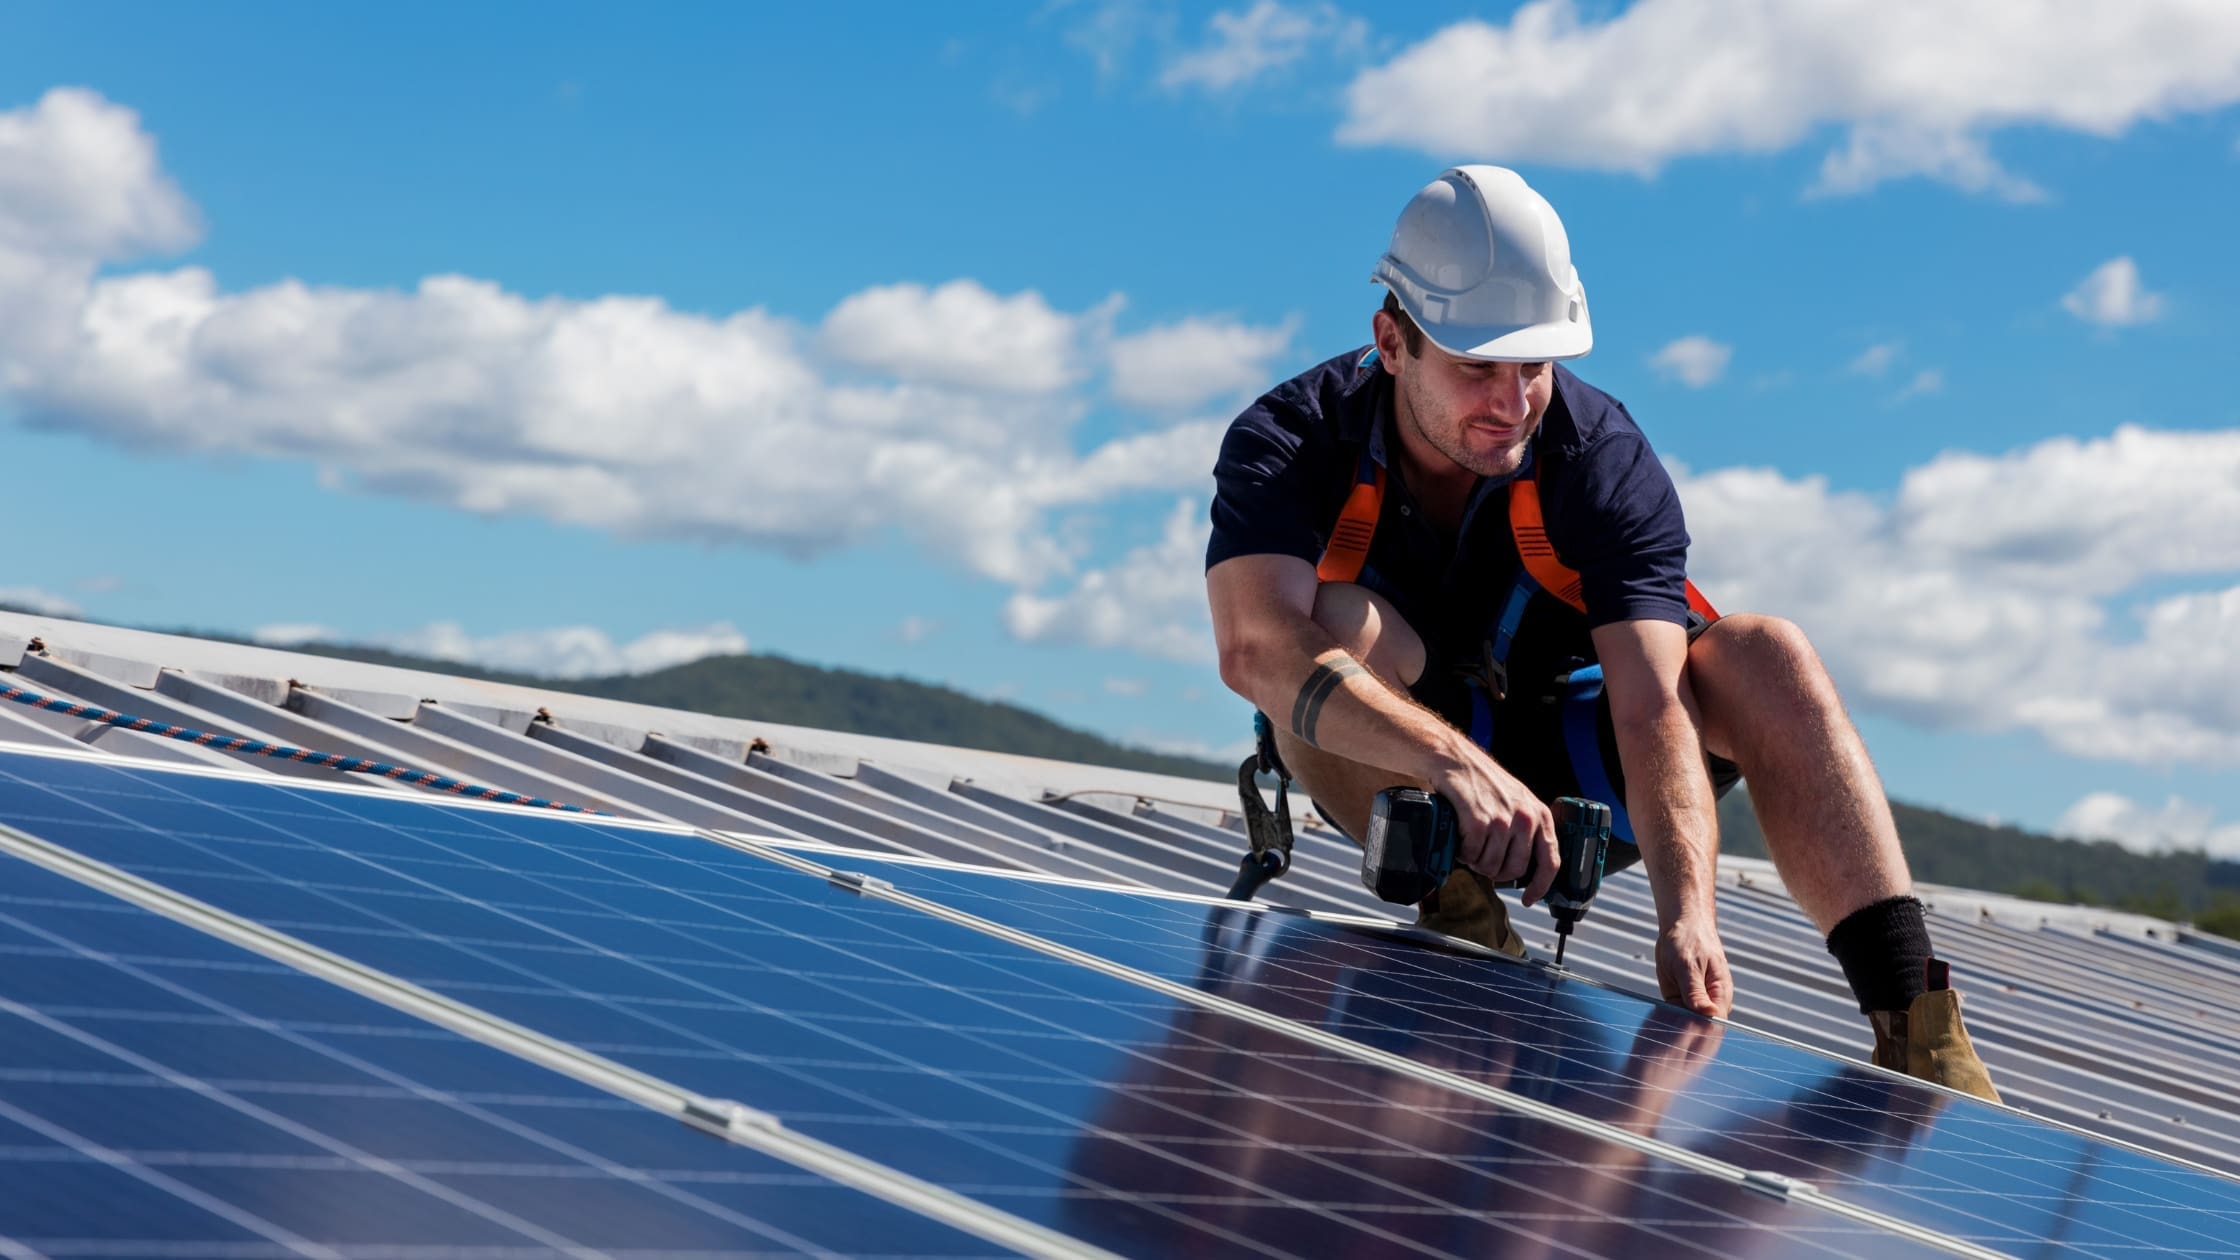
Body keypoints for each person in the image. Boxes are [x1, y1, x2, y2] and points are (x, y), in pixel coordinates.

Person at [1204, 165, 2000, 1101]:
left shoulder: (1602, 460)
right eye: (1477, 368)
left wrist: (1688, 915)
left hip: (1588, 770)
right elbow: (1253, 646)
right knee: (1324, 626)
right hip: (1417, 784)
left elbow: (1653, 705)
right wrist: (1452, 767)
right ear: (1392, 342)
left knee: (1766, 653)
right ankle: (1462, 918)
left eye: (1534, 367)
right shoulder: (1295, 438)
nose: (1512, 403)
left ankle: (1918, 1026)